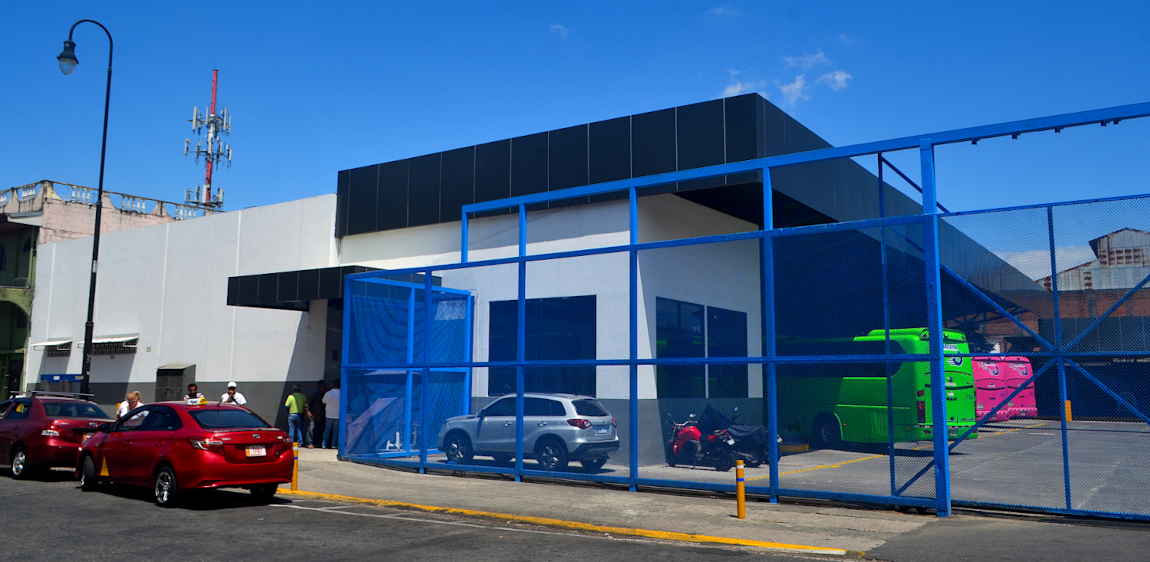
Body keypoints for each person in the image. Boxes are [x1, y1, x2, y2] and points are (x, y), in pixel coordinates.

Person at [308, 382, 330, 449]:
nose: (323, 388)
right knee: (312, 429)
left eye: (324, 387)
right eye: (322, 386)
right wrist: (309, 412)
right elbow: (308, 404)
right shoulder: (314, 395)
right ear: (318, 387)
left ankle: (319, 443)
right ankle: (311, 443)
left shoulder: (326, 394)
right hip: (314, 415)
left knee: (321, 430)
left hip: (323, 416)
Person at [321, 381, 341, 449]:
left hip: (329, 414)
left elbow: (323, 401)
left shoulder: (328, 393)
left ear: (333, 385)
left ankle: (324, 444)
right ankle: (333, 445)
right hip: (338, 415)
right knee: (336, 431)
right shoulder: (342, 393)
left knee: (327, 431)